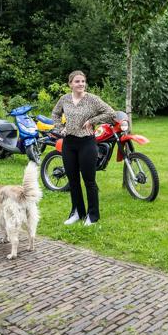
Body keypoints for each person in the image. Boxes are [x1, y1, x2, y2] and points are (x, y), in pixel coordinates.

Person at [52, 70, 115, 226]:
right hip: (69, 144)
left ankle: (92, 216)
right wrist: (60, 128)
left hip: (87, 143)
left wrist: (93, 120)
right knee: (73, 181)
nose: (80, 84)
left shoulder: (92, 99)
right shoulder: (64, 99)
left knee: (89, 181)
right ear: (70, 84)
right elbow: (55, 113)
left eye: (83, 81)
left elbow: (110, 112)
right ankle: (77, 212)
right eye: (77, 81)